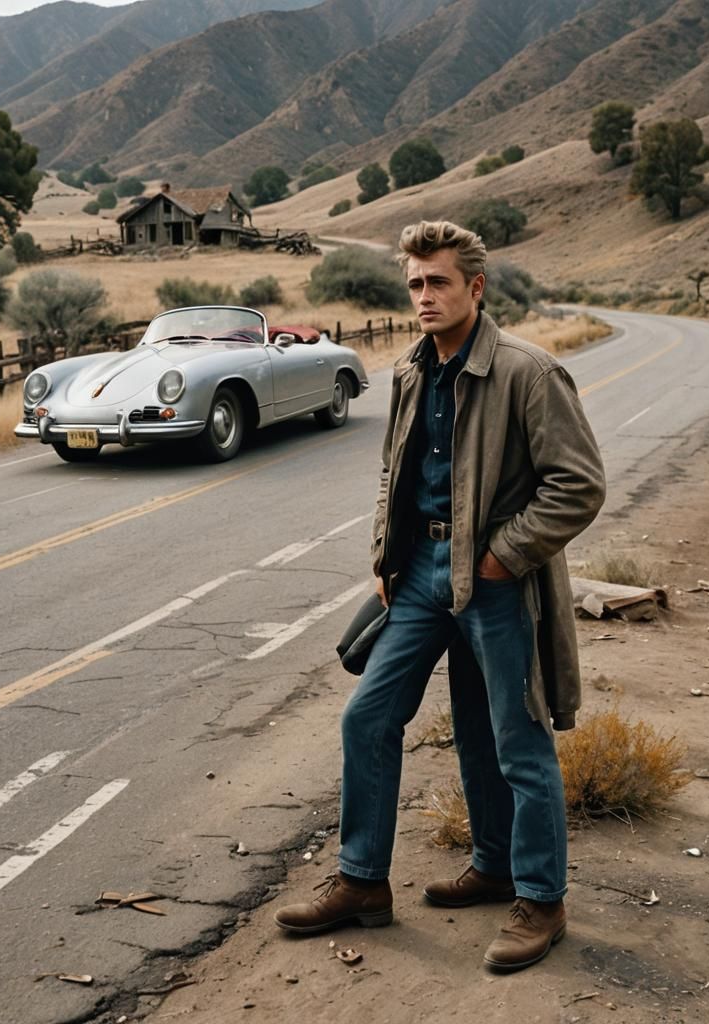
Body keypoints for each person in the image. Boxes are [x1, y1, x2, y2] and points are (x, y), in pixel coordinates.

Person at [274, 220, 606, 972]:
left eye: (439, 282)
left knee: (513, 741)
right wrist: (383, 557)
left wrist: (501, 555)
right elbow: (395, 470)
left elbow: (579, 486)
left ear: (476, 288)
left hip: (493, 580)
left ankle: (539, 898)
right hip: (419, 577)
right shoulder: (409, 369)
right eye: (415, 282)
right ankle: (363, 882)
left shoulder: (529, 372)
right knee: (368, 717)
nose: (424, 296)